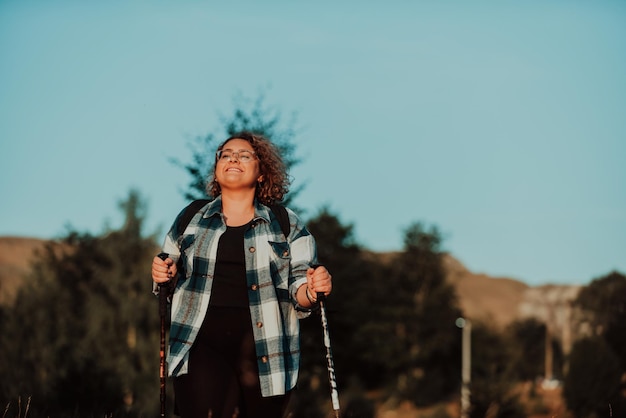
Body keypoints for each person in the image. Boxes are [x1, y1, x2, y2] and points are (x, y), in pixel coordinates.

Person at [151, 131, 333, 418]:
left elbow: (301, 289)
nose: (233, 158)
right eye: (226, 154)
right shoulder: (191, 218)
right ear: (217, 168)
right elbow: (168, 272)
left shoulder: (286, 223)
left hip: (266, 353)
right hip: (200, 346)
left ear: (262, 173)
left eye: (244, 155)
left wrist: (313, 289)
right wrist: (164, 272)